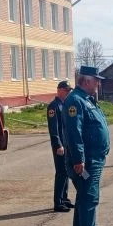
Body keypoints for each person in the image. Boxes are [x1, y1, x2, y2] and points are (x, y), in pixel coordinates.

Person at [62, 66, 112, 226]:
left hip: (94, 157)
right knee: (90, 197)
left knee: (84, 196)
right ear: (87, 80)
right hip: (86, 161)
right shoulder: (75, 101)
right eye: (96, 80)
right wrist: (79, 159)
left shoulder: (87, 99)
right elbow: (74, 133)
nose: (98, 83)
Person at [47, 80, 73, 212]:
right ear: (59, 91)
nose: (68, 93)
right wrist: (58, 145)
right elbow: (54, 128)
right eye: (66, 90)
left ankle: (64, 199)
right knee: (61, 173)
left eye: (69, 91)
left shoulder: (64, 105)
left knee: (66, 171)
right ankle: (58, 202)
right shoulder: (54, 106)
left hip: (66, 144)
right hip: (60, 145)